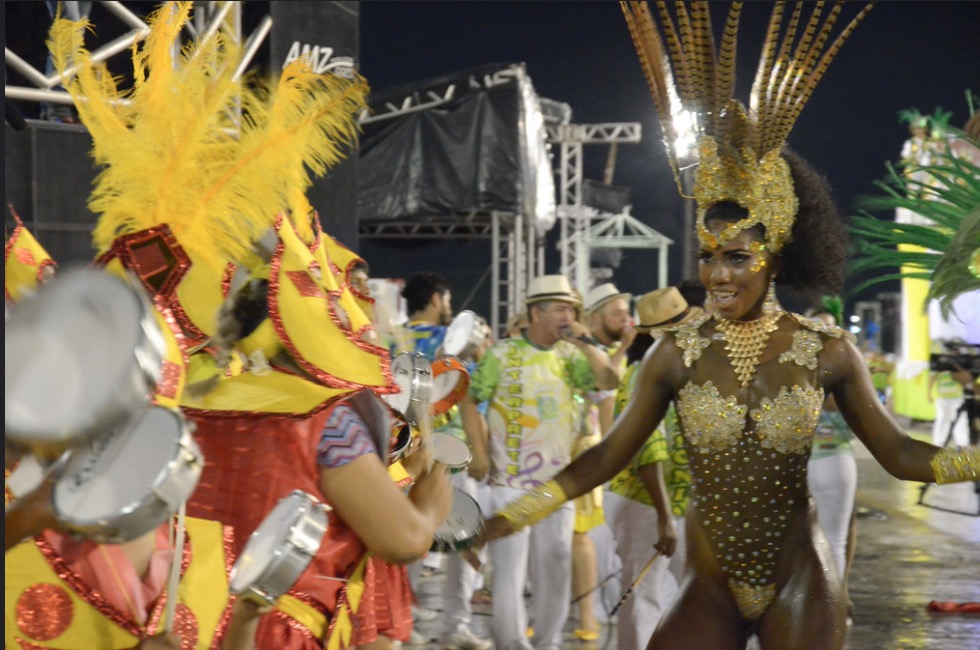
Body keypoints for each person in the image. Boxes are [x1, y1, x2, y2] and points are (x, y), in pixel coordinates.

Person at [478, 4, 978, 649]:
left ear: (776, 256)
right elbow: (606, 456)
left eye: (737, 257)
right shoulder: (674, 354)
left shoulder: (826, 350)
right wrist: (514, 515)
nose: (718, 274)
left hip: (800, 579)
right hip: (708, 584)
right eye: (708, 256)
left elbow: (903, 456)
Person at [461, 274, 618, 650]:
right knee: (510, 575)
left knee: (555, 568)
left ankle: (547, 643)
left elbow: (608, 379)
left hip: (556, 485)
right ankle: (513, 644)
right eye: (562, 308)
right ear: (536, 312)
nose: (569, 315)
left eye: (572, 309)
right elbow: (470, 400)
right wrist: (479, 454)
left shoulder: (570, 356)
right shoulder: (502, 354)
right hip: (509, 481)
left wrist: (584, 341)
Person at [603, 284, 703, 650]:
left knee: (692, 595)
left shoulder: (684, 372)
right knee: (643, 598)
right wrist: (664, 515)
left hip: (677, 504)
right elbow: (648, 449)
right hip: (645, 503)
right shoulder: (640, 377)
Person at [805, 308, 859, 621]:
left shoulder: (844, 368)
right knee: (819, 539)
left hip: (835, 459)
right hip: (806, 463)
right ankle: (824, 613)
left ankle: (832, 607)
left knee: (837, 536)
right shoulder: (797, 367)